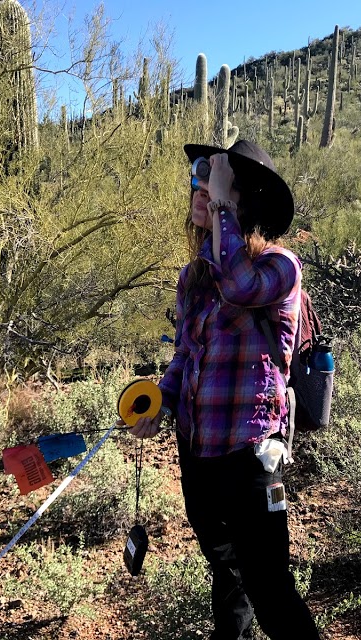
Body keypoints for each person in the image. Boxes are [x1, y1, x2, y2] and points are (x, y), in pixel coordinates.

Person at [127, 140, 321, 640]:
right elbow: (186, 357)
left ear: (245, 199)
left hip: (250, 453)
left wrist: (219, 209)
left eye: (217, 178)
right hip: (197, 450)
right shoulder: (192, 277)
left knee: (270, 585)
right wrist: (161, 402)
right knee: (226, 572)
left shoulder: (281, 267)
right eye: (200, 176)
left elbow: (238, 285)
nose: (201, 185)